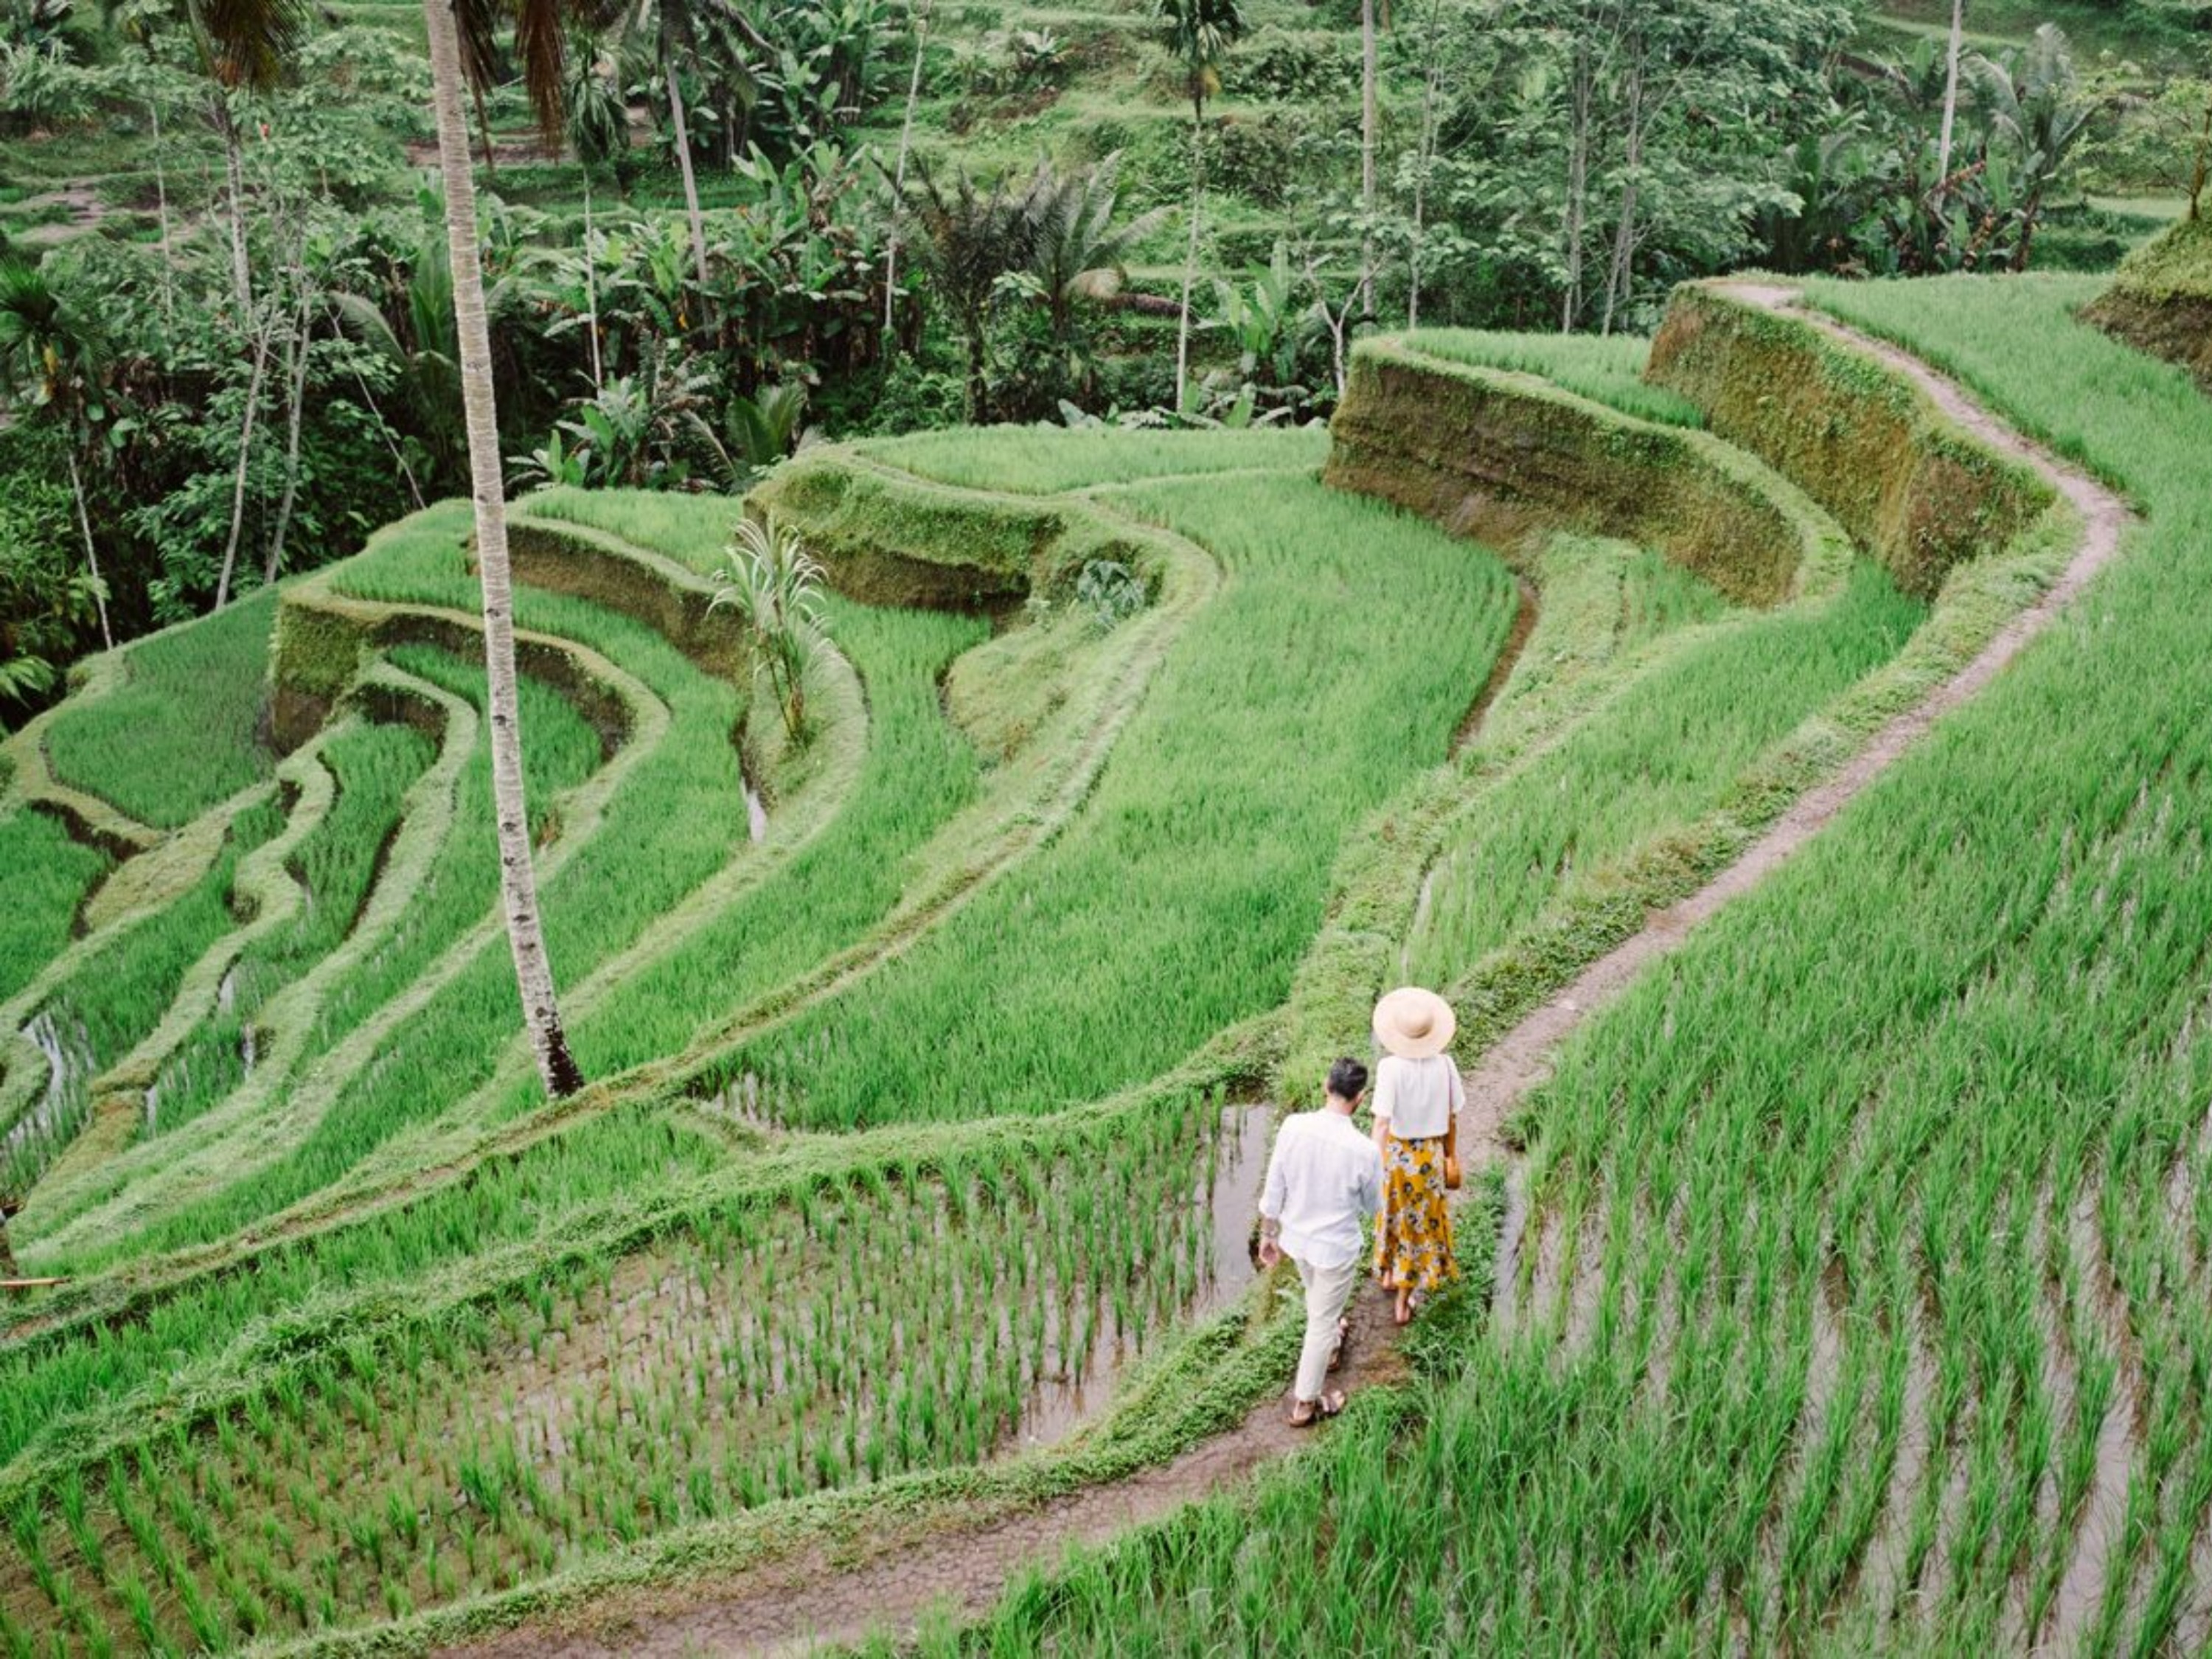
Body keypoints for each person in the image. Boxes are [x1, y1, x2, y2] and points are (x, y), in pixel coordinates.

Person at [1259, 1057, 1384, 1426]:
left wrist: (1269, 1234)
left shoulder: (1293, 1126)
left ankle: (1331, 1345)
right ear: (1360, 1098)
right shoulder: (1364, 1150)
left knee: (1322, 1310)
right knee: (1322, 1320)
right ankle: (1305, 1403)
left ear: (1325, 1086)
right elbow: (1372, 1206)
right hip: (1335, 1250)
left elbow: (1274, 1185)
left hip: (1297, 1240)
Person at [1370, 985, 1465, 1326]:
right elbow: (1454, 1115)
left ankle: (1391, 1276)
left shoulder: (1390, 1068)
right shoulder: (1446, 1065)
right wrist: (1451, 1154)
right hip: (1429, 1156)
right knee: (1422, 1223)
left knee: (1395, 1215)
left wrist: (1375, 1162)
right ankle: (1404, 1297)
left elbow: (1381, 1123)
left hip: (1397, 1155)